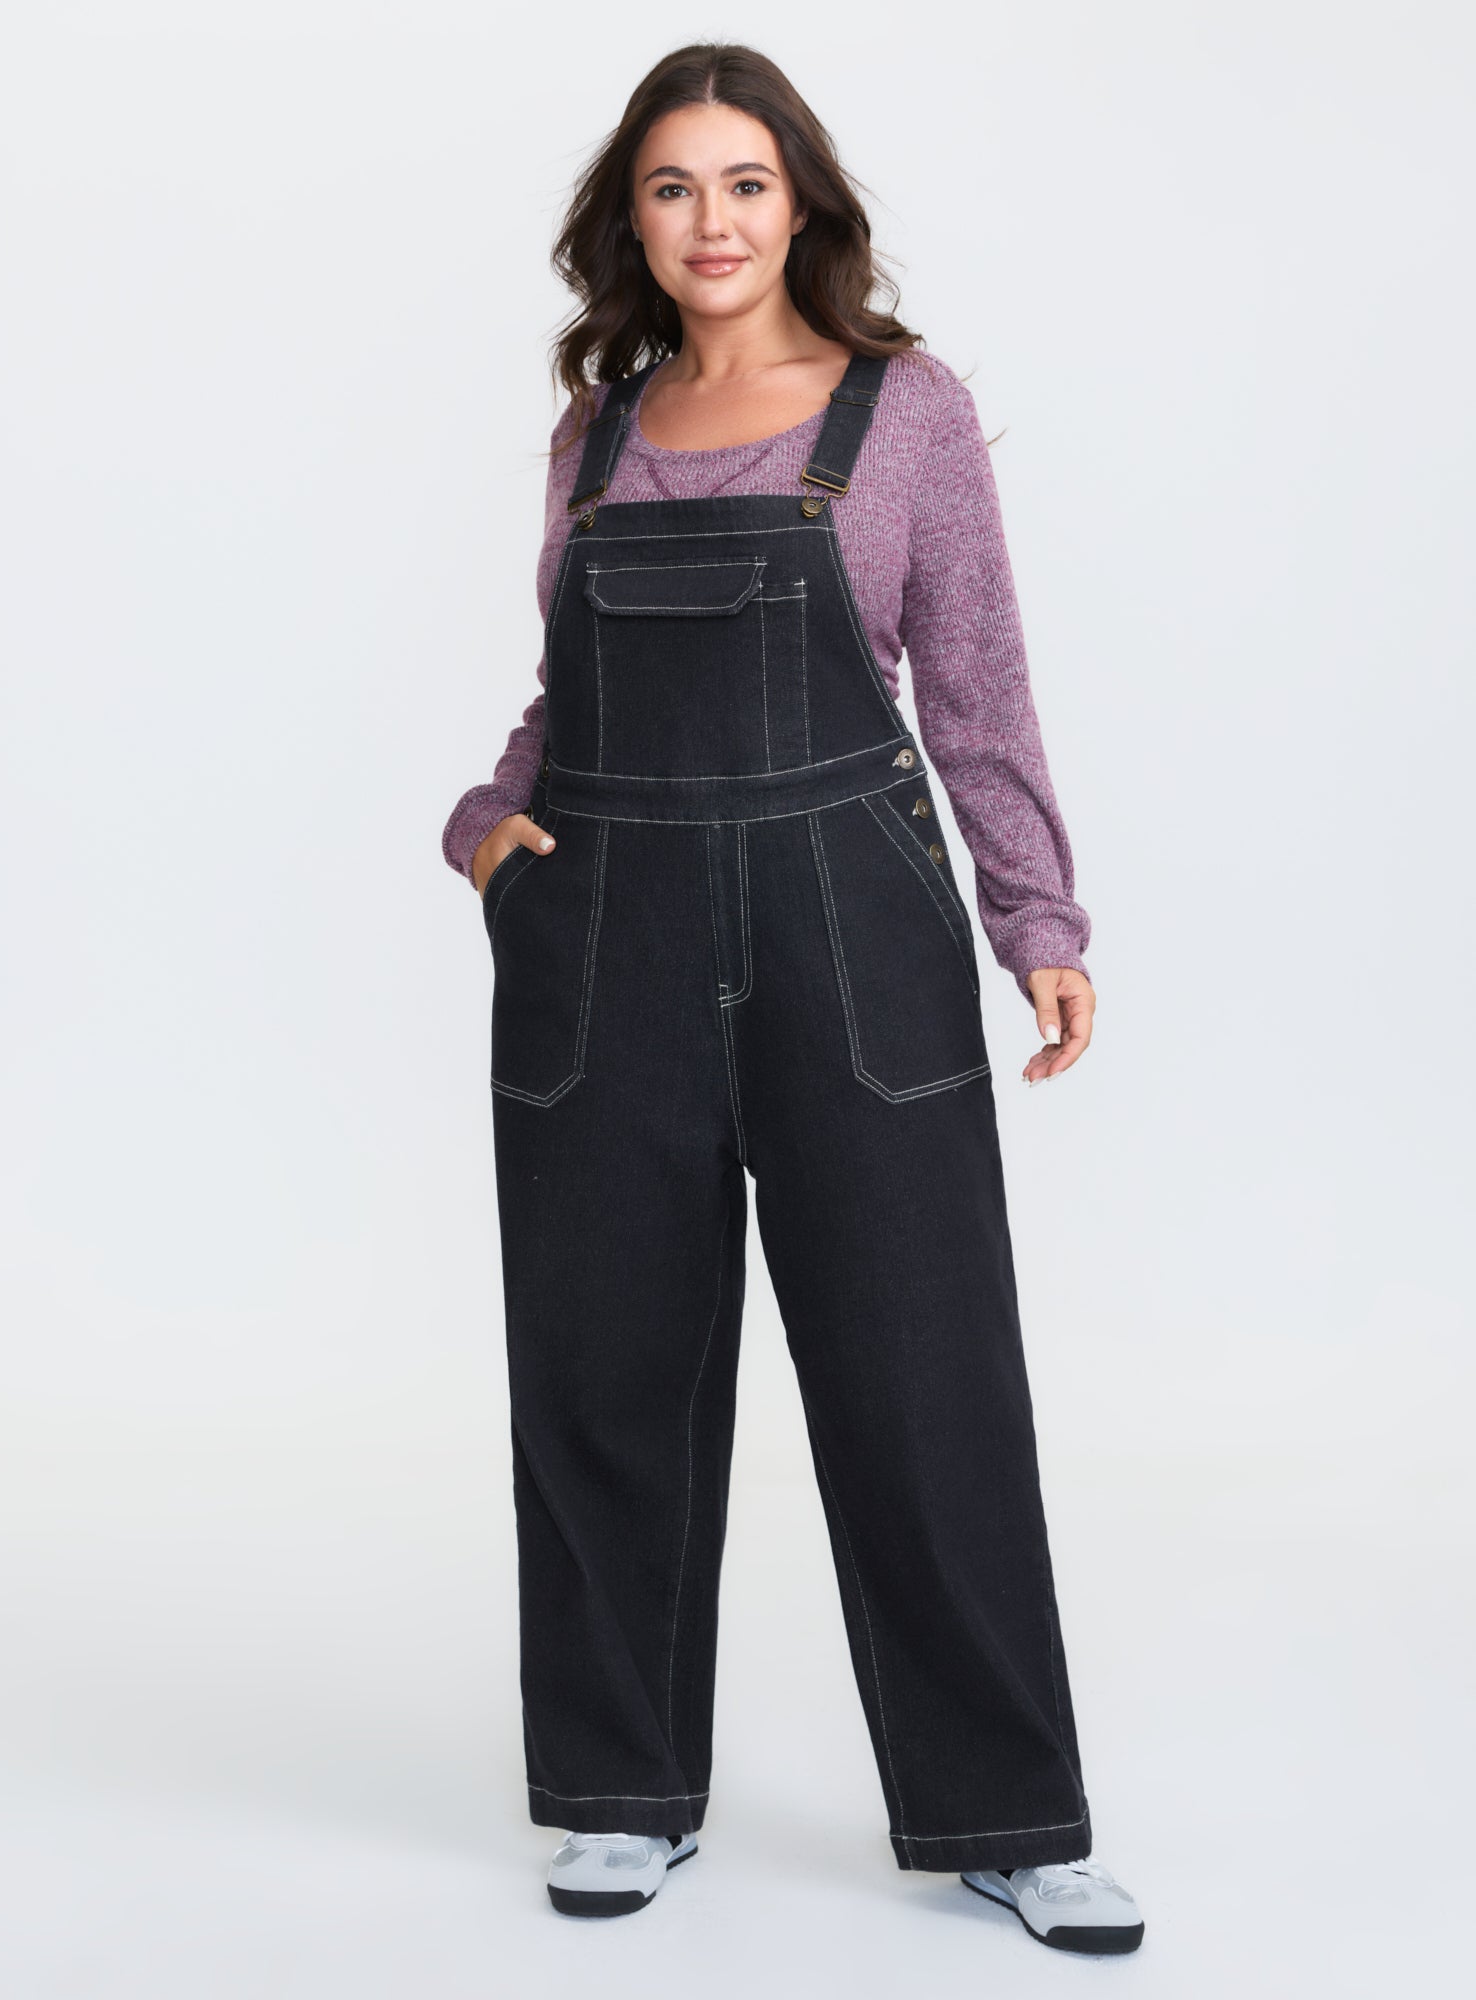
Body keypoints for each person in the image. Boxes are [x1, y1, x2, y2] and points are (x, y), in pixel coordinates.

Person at [440, 42, 1144, 1955]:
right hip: (607, 939)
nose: (713, 221)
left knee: (925, 1369)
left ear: (802, 202)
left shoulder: (907, 413)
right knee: (602, 1371)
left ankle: (1012, 1815)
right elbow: (560, 695)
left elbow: (975, 685)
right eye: (673, 187)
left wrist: (1038, 918)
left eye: (745, 182)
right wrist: (491, 833)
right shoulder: (597, 430)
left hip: (853, 934)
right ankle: (617, 1792)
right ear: (632, 220)